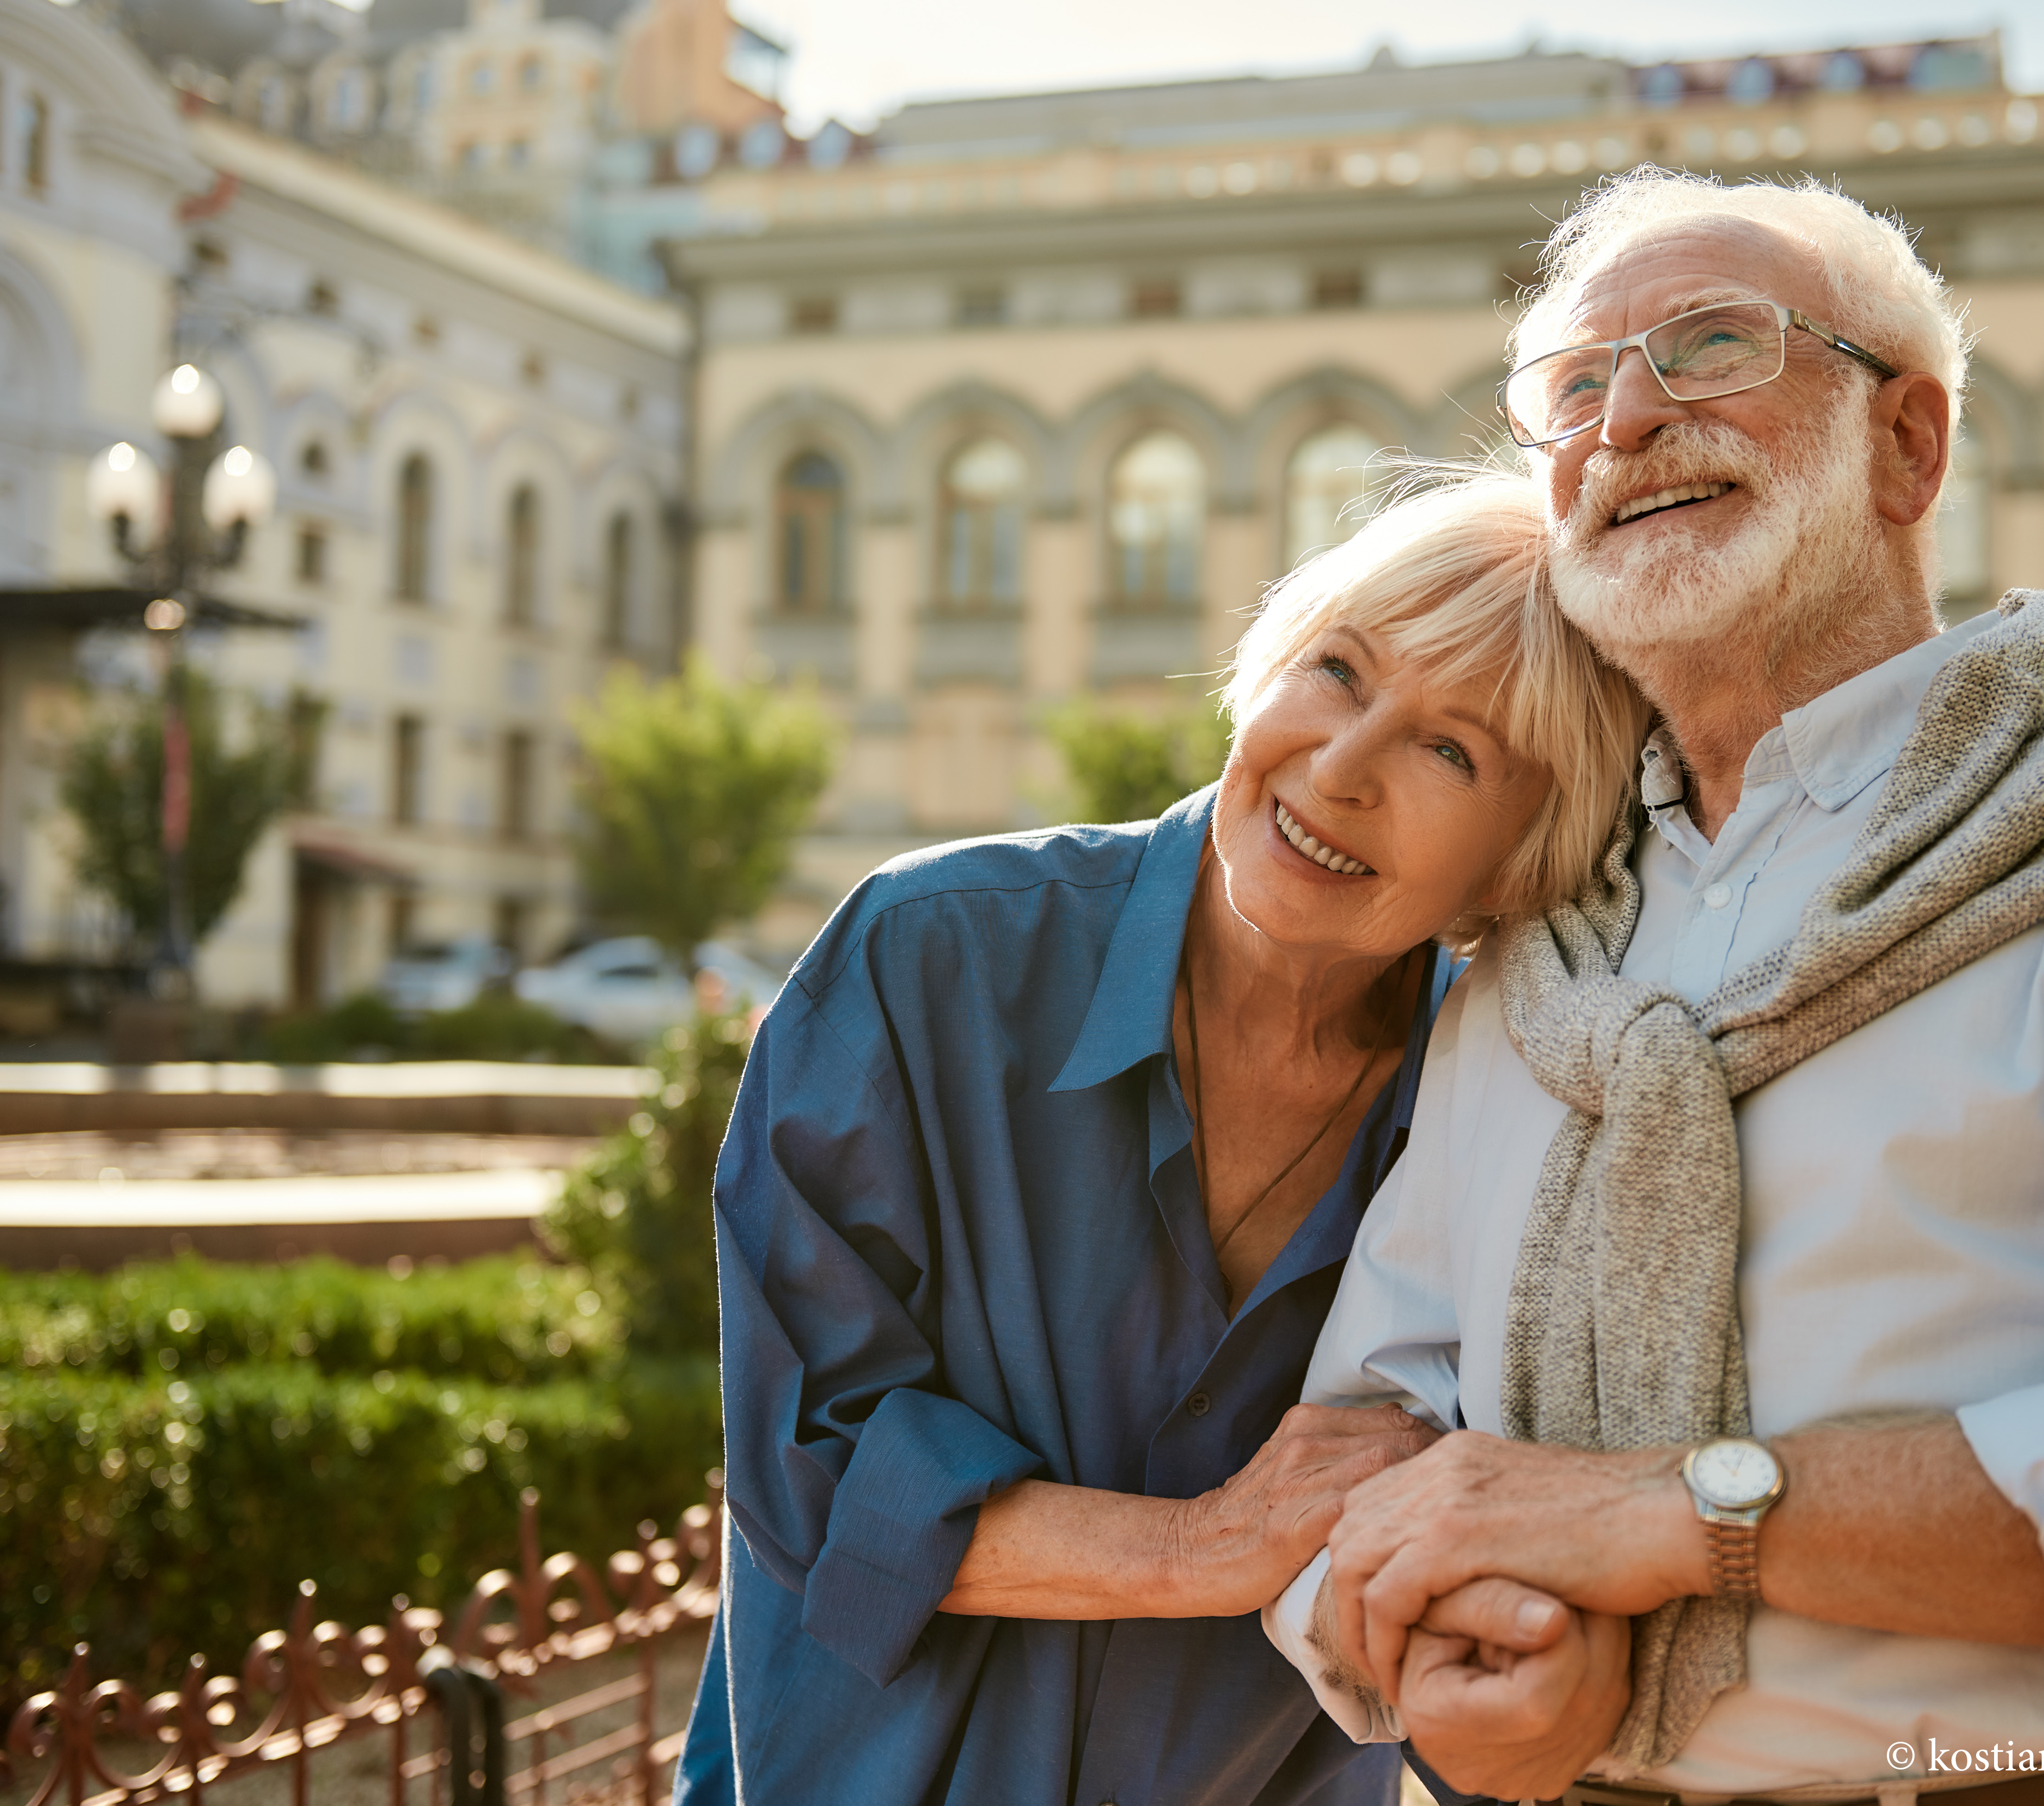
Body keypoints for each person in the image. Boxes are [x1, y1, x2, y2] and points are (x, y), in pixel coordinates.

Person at [1262, 171, 2044, 1806]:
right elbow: (1374, 1434)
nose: (1625, 415)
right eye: (1570, 385)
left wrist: (1674, 1517)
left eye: (1712, 344)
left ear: (1908, 445)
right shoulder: (1542, 932)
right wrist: (1451, 1654)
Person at [669, 471, 1651, 1806]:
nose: (1342, 767)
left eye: (1452, 751)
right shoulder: (926, 960)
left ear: (1520, 862)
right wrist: (1210, 1545)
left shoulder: (1509, 1104)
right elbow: (816, 1474)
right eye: (1340, 671)